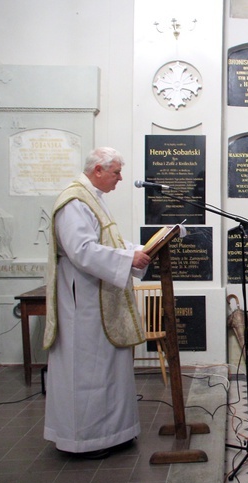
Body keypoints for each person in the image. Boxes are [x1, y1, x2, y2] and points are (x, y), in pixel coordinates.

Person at [43, 147, 151, 460]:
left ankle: (113, 433)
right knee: (87, 372)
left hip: (100, 295)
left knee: (108, 370)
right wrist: (127, 258)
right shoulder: (74, 200)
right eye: (116, 172)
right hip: (85, 303)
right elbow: (82, 251)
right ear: (98, 171)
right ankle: (87, 439)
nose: (120, 178)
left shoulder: (92, 198)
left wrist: (138, 249)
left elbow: (109, 244)